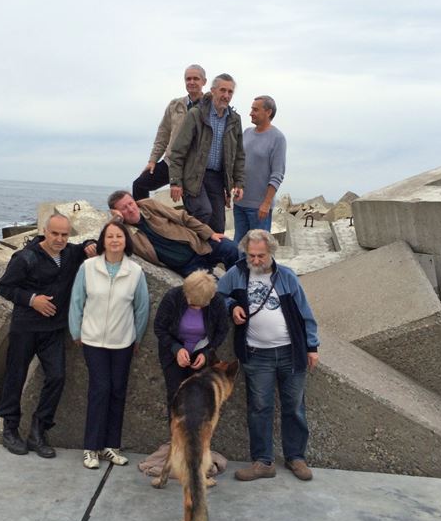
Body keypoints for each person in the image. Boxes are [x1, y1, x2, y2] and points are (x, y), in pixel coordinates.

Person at [216, 229, 320, 482]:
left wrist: (312, 346)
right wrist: (232, 306)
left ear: (271, 252)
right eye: (251, 255)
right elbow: (218, 295)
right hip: (256, 354)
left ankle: (296, 457)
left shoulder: (286, 276)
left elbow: (305, 312)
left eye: (260, 255)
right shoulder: (236, 274)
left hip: (290, 352)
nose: (255, 260)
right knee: (259, 408)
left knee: (294, 407)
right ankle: (263, 461)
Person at [0, 214, 94, 458]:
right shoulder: (25, 257)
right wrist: (32, 300)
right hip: (25, 328)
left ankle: (38, 430)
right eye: (55, 233)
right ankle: (10, 429)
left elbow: (86, 246)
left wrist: (91, 243)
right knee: (15, 376)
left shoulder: (70, 253)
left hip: (53, 330)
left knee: (57, 377)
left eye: (64, 234)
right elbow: (4, 287)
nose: (59, 239)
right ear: (45, 231)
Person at [69, 221, 149, 470]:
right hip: (93, 340)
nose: (115, 240)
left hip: (122, 341)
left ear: (126, 241)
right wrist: (75, 330)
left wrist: (137, 338)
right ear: (103, 240)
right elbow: (77, 300)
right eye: (110, 236)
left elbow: (141, 308)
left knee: (117, 391)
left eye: (119, 236)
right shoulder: (88, 267)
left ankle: (111, 446)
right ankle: (91, 447)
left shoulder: (135, 271)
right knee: (100, 389)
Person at [168, 73, 245, 234]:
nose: (226, 95)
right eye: (222, 90)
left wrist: (238, 183)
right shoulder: (196, 114)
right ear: (213, 90)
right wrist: (175, 182)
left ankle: (210, 251)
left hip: (217, 178)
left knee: (218, 224)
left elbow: (239, 155)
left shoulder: (234, 120)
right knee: (203, 211)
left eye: (230, 92)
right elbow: (178, 151)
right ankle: (192, 247)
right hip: (194, 176)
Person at [100, 190, 239, 278]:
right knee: (214, 291)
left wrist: (209, 233)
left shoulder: (148, 205)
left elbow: (183, 217)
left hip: (199, 245)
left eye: (131, 203)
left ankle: (243, 291)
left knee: (232, 250)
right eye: (124, 208)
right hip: (187, 266)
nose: (131, 209)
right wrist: (117, 219)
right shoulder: (122, 232)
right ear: (116, 212)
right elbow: (104, 245)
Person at [154, 270, 229, 421]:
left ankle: (195, 434)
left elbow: (222, 330)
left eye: (200, 305)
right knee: (175, 397)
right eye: (192, 304)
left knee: (198, 400)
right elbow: (159, 327)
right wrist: (176, 348)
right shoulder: (173, 297)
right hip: (173, 351)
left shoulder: (217, 302)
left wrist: (207, 352)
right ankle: (176, 434)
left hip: (202, 351)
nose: (196, 308)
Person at [132, 65, 207, 200]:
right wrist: (153, 160)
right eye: (188, 79)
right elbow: (163, 135)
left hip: (197, 166)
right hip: (172, 162)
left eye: (196, 79)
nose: (191, 82)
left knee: (196, 204)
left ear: (204, 82)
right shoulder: (175, 105)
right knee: (140, 184)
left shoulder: (211, 107)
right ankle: (144, 214)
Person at [233, 95, 286, 243]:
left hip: (259, 209)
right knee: (238, 247)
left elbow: (277, 174)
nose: (251, 113)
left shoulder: (278, 138)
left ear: (268, 112)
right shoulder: (246, 133)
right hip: (239, 204)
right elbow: (237, 164)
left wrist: (266, 203)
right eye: (252, 109)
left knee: (259, 249)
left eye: (255, 110)